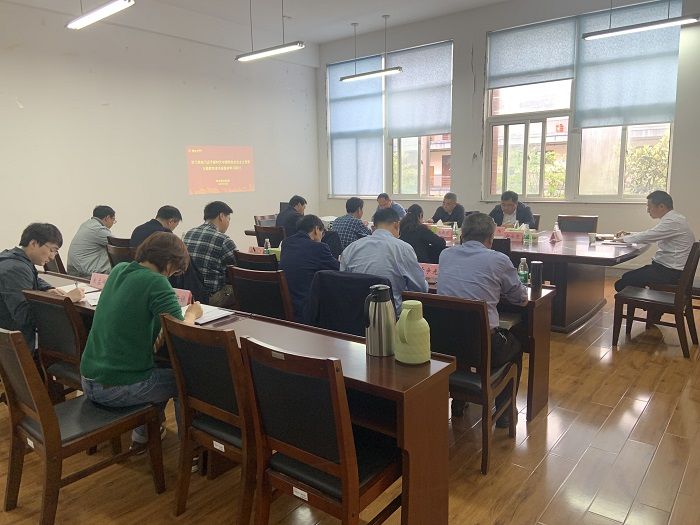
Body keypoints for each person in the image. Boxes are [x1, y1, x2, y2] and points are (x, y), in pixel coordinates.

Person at [80, 232, 203, 451]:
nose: (173, 276)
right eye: (175, 270)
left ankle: (143, 436)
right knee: (184, 381)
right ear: (169, 263)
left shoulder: (119, 270)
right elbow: (182, 332)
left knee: (160, 372)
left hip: (89, 379)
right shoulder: (156, 281)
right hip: (115, 387)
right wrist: (193, 313)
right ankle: (190, 449)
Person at [437, 212, 527, 426]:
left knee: (462, 333)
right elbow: (521, 298)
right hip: (482, 347)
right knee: (516, 346)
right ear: (490, 238)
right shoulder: (498, 259)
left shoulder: (445, 254)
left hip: (444, 344)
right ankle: (505, 413)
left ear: (462, 235)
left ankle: (459, 403)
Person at [0, 223, 84, 351]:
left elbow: (34, 278)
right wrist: (65, 300)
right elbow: (25, 316)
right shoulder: (16, 268)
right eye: (52, 250)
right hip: (14, 346)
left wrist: (48, 289)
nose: (52, 256)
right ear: (33, 243)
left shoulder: (14, 258)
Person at [340, 207, 428, 313]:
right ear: (397, 225)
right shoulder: (403, 249)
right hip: (390, 317)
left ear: (373, 228)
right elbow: (420, 289)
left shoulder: (351, 248)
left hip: (355, 315)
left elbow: (343, 283)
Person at [614, 191, 695, 292]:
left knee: (622, 283)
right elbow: (652, 233)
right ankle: (647, 299)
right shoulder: (674, 218)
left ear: (661, 206)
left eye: (649, 206)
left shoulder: (672, 221)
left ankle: (649, 300)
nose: (648, 210)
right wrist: (629, 234)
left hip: (670, 272)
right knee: (626, 279)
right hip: (669, 269)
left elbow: (649, 236)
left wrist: (622, 239)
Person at [279, 215, 340, 322]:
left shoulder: (286, 243)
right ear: (316, 229)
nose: (322, 237)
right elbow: (338, 269)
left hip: (284, 305)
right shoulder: (319, 248)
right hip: (305, 308)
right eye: (322, 232)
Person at [183, 201, 237, 307]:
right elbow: (239, 268)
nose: (228, 223)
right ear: (221, 216)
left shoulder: (189, 233)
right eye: (228, 219)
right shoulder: (223, 239)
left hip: (190, 294)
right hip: (210, 297)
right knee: (245, 288)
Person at [66, 205, 116, 277]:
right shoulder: (98, 229)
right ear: (107, 218)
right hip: (83, 272)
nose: (113, 223)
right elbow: (117, 244)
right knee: (118, 256)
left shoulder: (86, 224)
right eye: (113, 220)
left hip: (75, 269)